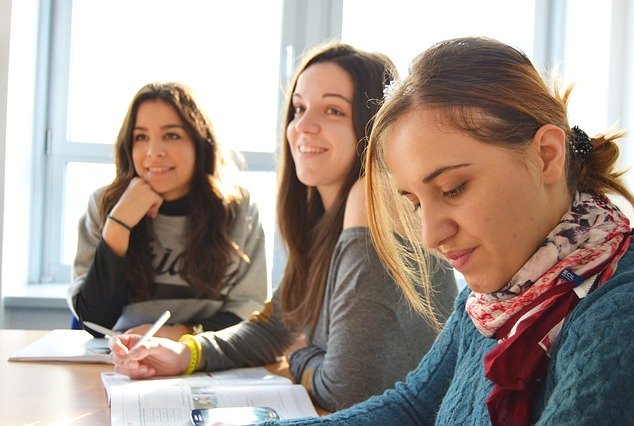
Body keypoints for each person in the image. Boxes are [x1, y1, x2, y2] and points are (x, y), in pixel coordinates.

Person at [272, 36, 634, 425]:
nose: (431, 235)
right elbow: (413, 405)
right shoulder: (494, 298)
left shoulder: (620, 314)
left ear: (546, 155)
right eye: (415, 202)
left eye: (453, 189)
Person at [108, 42, 458, 412]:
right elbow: (276, 327)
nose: (303, 126)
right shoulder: (322, 220)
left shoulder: (372, 196)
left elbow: (345, 390)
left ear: (372, 126)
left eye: (333, 110)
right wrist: (185, 354)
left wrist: (300, 356)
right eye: (299, 108)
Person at [68, 82, 268, 341]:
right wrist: (118, 224)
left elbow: (249, 313)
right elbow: (95, 322)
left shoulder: (239, 209)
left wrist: (180, 334)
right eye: (140, 137)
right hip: (119, 360)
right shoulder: (104, 204)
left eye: (171, 135)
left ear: (200, 143)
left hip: (209, 360)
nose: (154, 152)